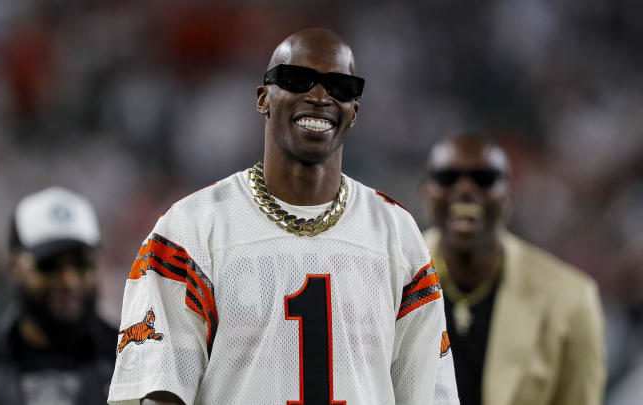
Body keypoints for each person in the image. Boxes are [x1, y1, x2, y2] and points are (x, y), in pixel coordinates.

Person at [107, 28, 459, 405]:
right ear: (263, 98)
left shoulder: (395, 232)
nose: (320, 96)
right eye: (296, 80)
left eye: (340, 87)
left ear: (354, 110)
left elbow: (427, 393)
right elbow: (159, 391)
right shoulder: (191, 228)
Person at [419, 133, 606, 405]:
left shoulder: (570, 300)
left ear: (508, 195)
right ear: (426, 194)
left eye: (485, 178)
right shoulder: (383, 282)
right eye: (448, 177)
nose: (465, 189)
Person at [0, 186, 117, 405]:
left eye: (82, 263)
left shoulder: (134, 362)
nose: (68, 280)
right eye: (48, 265)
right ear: (14, 267)